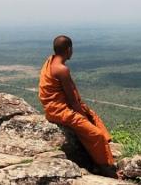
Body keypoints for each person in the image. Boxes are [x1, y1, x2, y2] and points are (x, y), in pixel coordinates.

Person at [38, 35, 118, 178]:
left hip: (55, 108)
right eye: (71, 49)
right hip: (59, 111)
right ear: (69, 50)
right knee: (96, 134)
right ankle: (105, 167)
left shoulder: (50, 62)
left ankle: (107, 150)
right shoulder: (62, 69)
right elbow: (72, 100)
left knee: (92, 115)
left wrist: (85, 113)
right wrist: (82, 117)